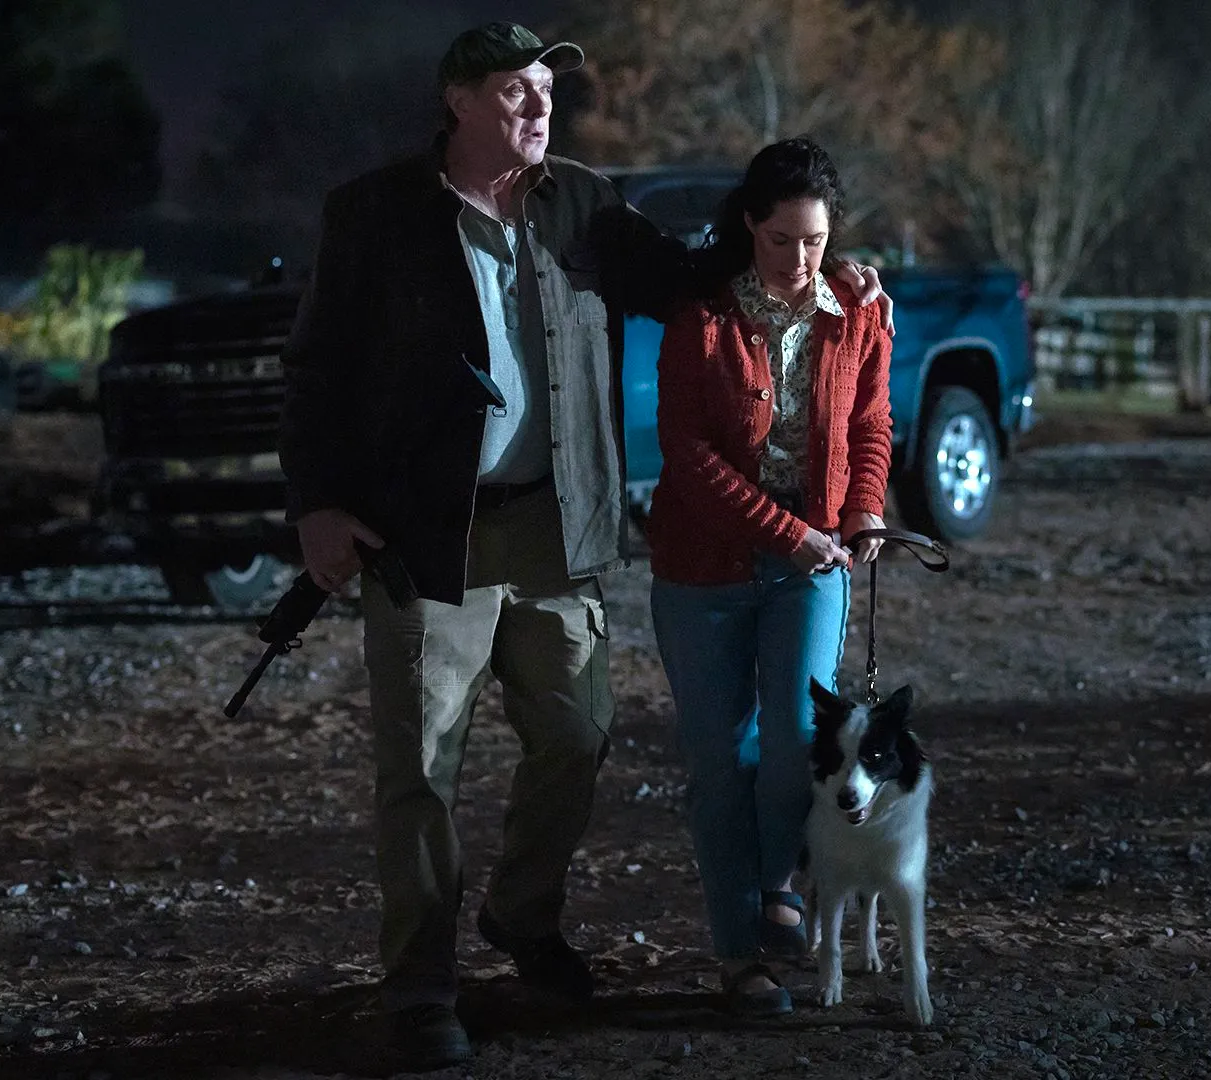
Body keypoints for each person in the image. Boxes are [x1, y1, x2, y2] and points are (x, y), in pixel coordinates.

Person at [277, 24, 884, 1069]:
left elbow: (698, 279)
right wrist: (319, 506)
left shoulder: (586, 205)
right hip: (431, 536)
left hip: (561, 529)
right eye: (516, 91)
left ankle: (523, 913)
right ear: (458, 100)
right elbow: (316, 369)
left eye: (548, 90)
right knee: (421, 768)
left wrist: (824, 266)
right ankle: (422, 989)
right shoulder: (375, 215)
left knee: (577, 735)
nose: (540, 107)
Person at [645, 137, 894, 1017]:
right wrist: (786, 532)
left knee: (795, 738)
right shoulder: (703, 318)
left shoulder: (855, 312)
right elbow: (687, 453)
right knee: (721, 760)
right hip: (703, 565)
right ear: (750, 225)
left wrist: (862, 510)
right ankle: (739, 955)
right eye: (783, 239)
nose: (800, 258)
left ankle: (779, 889)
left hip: (813, 563)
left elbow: (872, 426)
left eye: (816, 241)